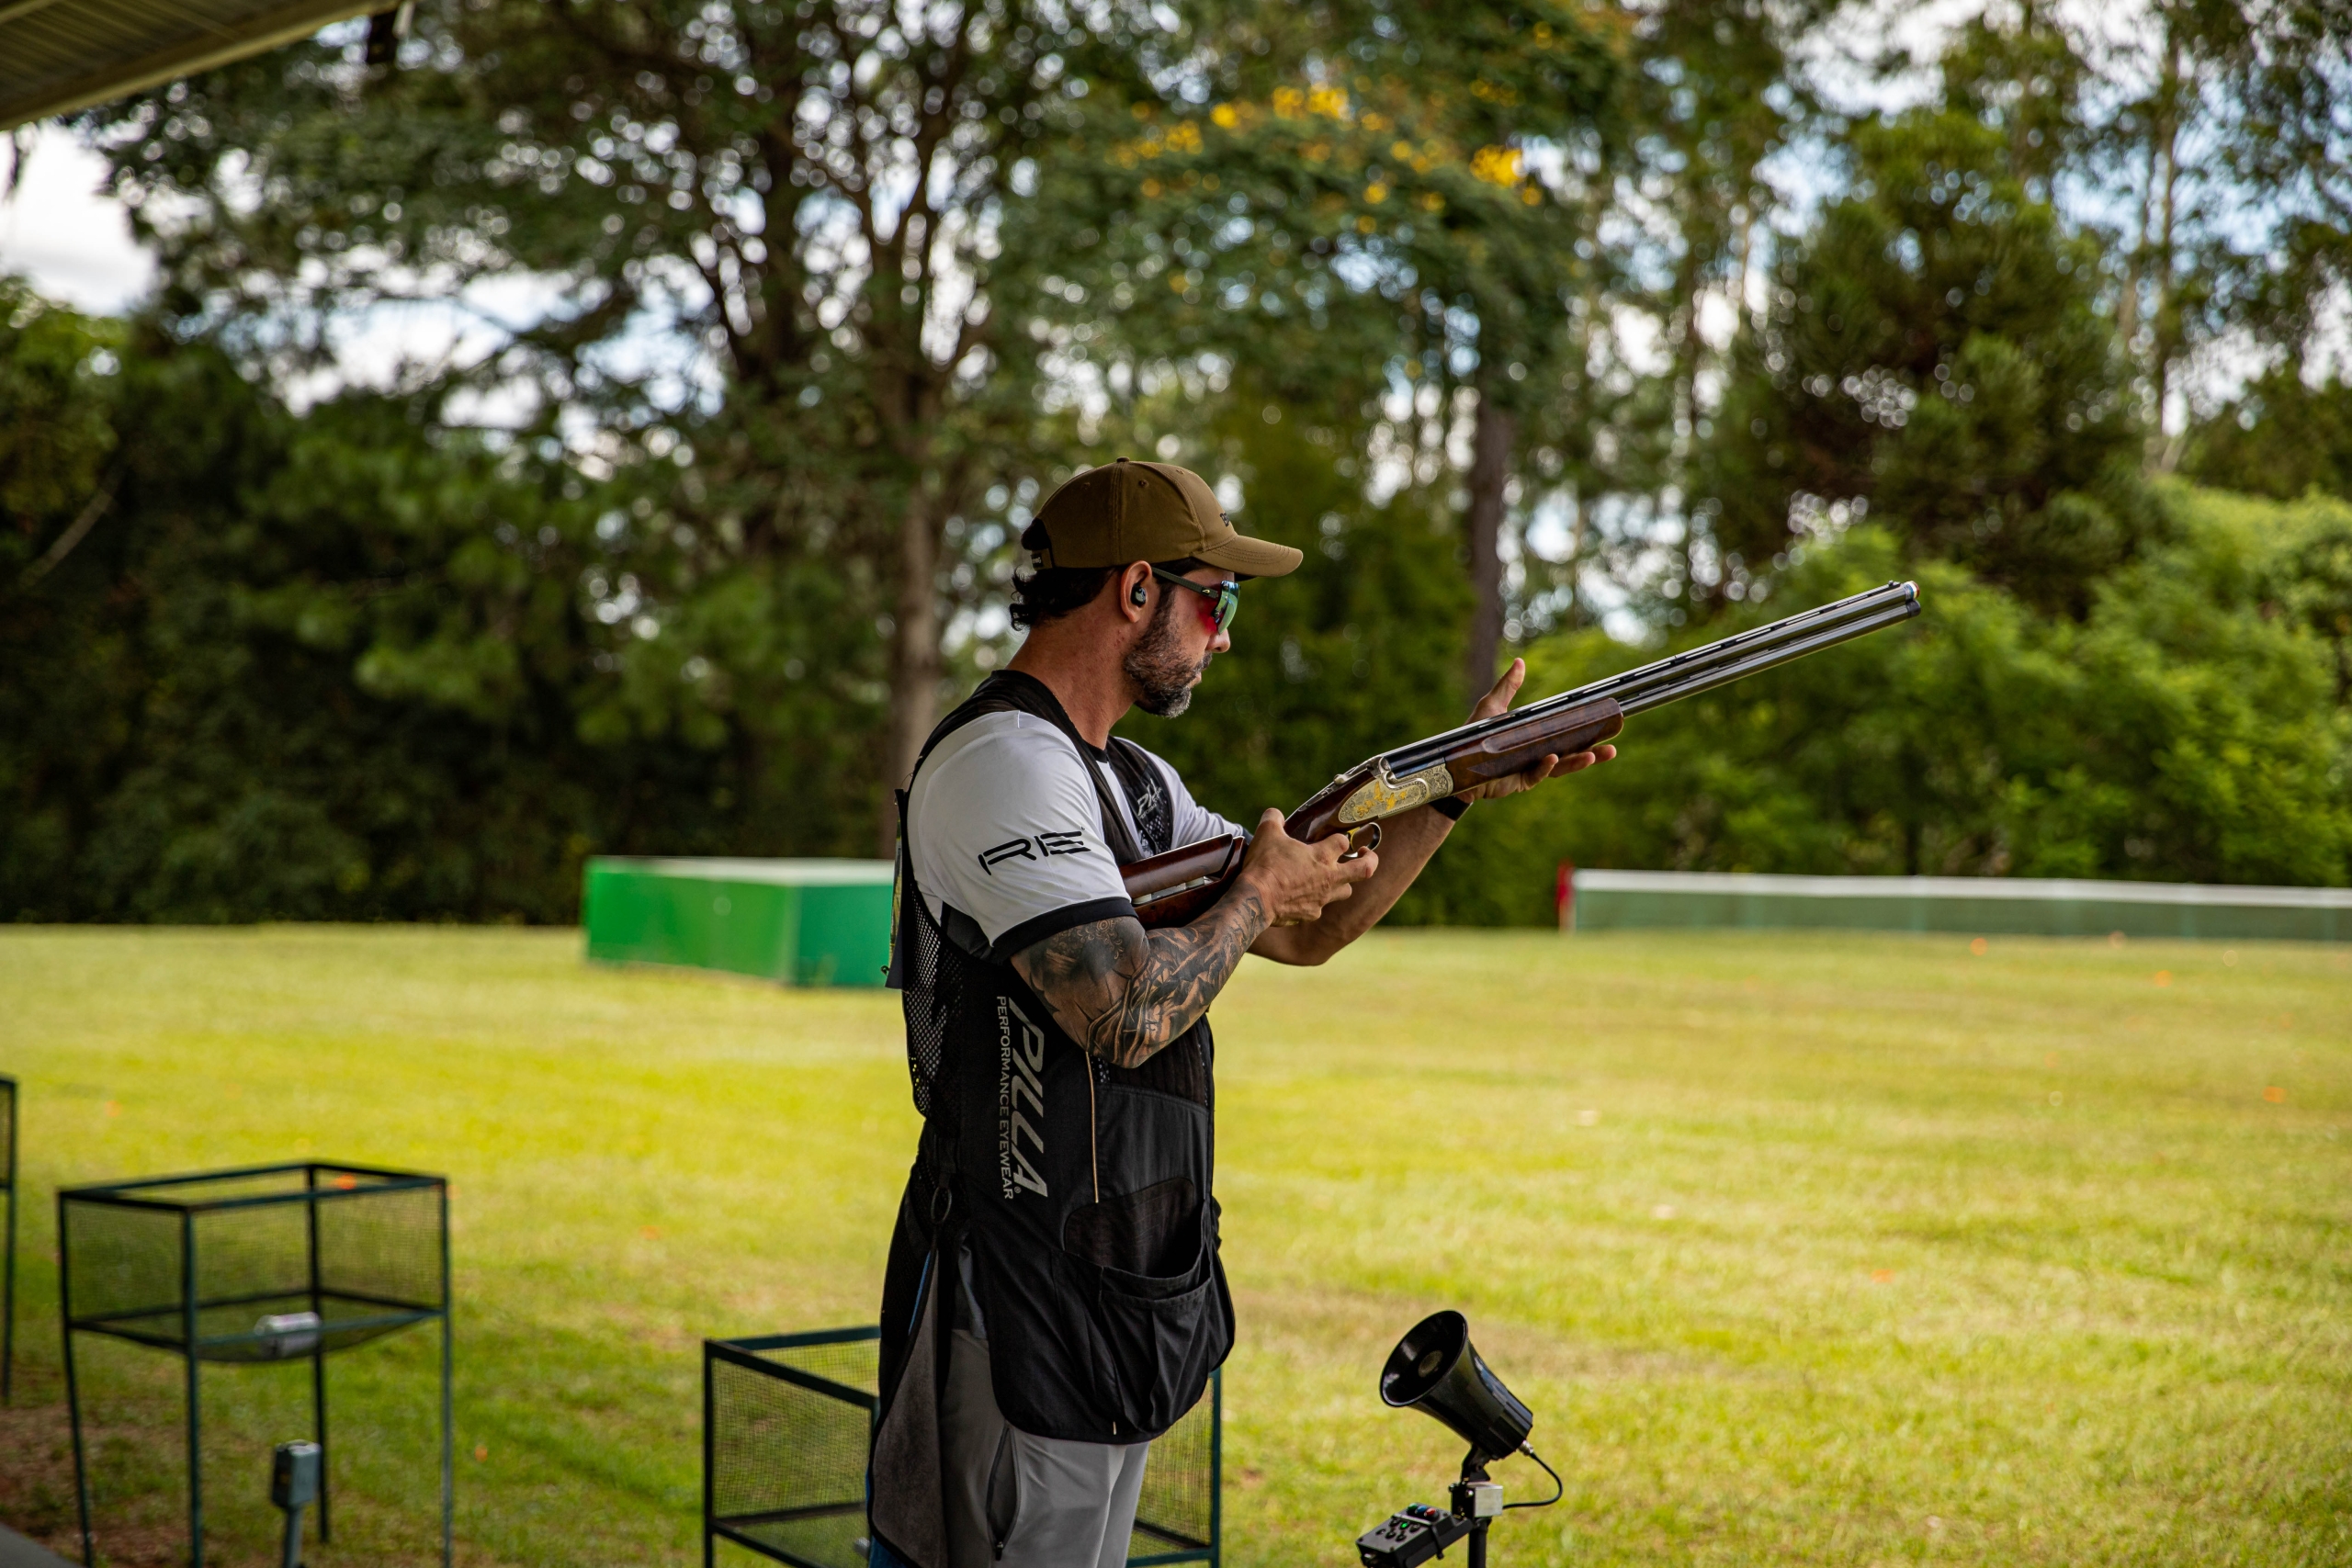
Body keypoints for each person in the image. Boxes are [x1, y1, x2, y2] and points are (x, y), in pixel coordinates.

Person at [866, 458, 1614, 1568]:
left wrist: (1449, 789)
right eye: (1214, 603)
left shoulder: (1134, 782)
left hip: (1116, 1284)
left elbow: (1312, 925)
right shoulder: (1004, 765)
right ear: (1135, 590)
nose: (1222, 639)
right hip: (1019, 1296)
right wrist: (1257, 892)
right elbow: (1122, 1011)